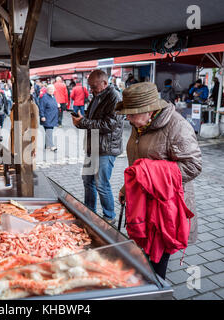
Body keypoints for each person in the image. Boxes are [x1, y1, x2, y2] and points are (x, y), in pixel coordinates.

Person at [117, 82, 202, 279]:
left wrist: (150, 174)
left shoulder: (177, 127)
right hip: (143, 202)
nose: (127, 118)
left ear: (150, 110)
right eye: (126, 113)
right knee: (143, 256)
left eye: (132, 113)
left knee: (157, 263)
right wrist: (126, 188)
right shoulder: (139, 124)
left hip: (165, 208)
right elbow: (139, 166)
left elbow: (193, 166)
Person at [72, 70, 123, 222]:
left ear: (105, 83)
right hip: (93, 146)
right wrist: (81, 121)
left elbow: (110, 124)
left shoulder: (115, 98)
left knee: (101, 184)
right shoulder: (97, 96)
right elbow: (92, 120)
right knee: (88, 181)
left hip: (105, 149)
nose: (91, 90)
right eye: (90, 87)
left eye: (93, 86)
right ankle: (90, 212)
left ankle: (109, 216)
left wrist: (83, 122)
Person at [39, 85, 59, 151]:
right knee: (49, 131)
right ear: (47, 90)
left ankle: (47, 146)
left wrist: (57, 105)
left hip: (52, 117)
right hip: (47, 117)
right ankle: (51, 146)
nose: (52, 91)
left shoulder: (53, 96)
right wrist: (42, 116)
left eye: (53, 89)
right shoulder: (44, 97)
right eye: (50, 89)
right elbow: (41, 107)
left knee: (49, 131)